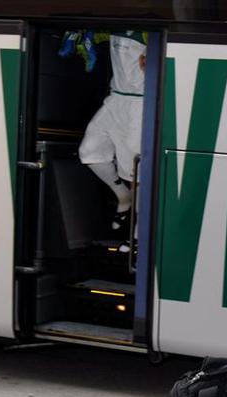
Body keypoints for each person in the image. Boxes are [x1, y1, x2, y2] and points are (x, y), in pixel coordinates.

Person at [75, 31, 147, 248]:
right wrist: (83, 36)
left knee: (136, 173)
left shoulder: (147, 28)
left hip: (139, 103)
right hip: (115, 98)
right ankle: (123, 197)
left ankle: (138, 235)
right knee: (89, 151)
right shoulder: (118, 24)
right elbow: (98, 35)